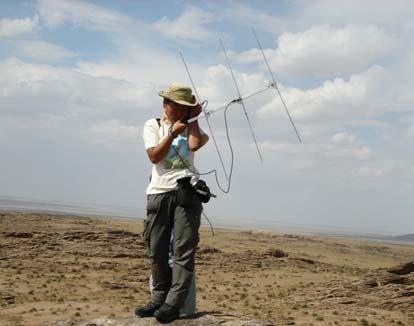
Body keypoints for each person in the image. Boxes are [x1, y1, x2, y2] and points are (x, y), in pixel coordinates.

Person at [135, 83, 208, 323]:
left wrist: (193, 118)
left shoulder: (191, 126)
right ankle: (158, 299)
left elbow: (196, 144)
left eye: (176, 105)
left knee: (182, 252)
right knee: (156, 250)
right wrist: (173, 133)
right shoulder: (153, 125)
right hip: (158, 192)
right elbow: (154, 155)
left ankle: (173, 304)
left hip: (187, 193)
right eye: (167, 102)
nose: (169, 107)